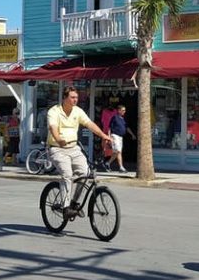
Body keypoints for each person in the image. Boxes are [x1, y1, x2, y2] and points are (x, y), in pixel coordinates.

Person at [47, 87, 112, 216]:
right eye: (72, 97)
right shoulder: (54, 111)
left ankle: (74, 203)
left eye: (76, 97)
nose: (75, 100)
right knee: (67, 174)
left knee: (85, 173)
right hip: (57, 149)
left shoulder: (78, 111)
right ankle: (65, 207)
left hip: (73, 148)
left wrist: (103, 135)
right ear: (65, 98)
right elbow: (53, 128)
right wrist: (59, 139)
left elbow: (90, 124)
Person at [104, 104, 135, 173]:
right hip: (115, 136)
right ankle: (121, 167)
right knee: (118, 151)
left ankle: (107, 163)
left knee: (117, 152)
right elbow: (109, 127)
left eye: (125, 110)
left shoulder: (123, 119)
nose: (124, 111)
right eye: (123, 110)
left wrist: (132, 134)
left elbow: (126, 128)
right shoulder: (115, 117)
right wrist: (109, 137)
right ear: (119, 111)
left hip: (120, 137)